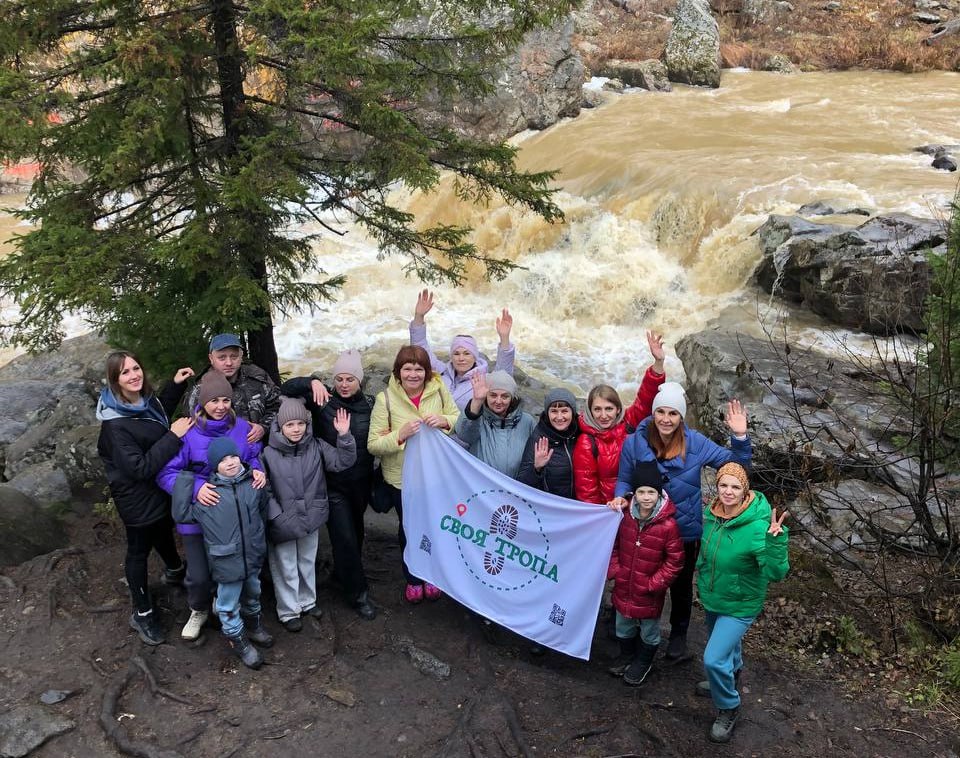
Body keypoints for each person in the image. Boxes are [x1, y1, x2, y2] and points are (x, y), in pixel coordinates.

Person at [612, 383, 751, 661]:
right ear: (653, 413)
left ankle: (678, 634)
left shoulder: (695, 442)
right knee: (642, 579)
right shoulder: (634, 442)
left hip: (684, 530)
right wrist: (619, 497)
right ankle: (638, 631)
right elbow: (625, 478)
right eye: (660, 412)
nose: (666, 419)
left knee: (681, 585)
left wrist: (739, 435)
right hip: (645, 526)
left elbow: (736, 467)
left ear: (681, 417)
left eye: (673, 414)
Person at [157, 370, 267, 641]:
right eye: (214, 401)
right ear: (203, 401)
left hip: (233, 515)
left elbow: (253, 457)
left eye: (225, 400)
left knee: (232, 564)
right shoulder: (188, 432)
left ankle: (225, 605)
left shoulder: (243, 428)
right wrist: (196, 488)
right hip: (199, 513)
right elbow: (165, 473)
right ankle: (199, 609)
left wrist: (257, 469)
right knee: (199, 572)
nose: (220, 407)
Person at [96, 351, 195, 646]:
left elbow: (152, 420)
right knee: (138, 549)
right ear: (115, 381)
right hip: (136, 497)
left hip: (156, 487)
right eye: (125, 373)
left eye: (136, 368)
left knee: (163, 528)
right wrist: (174, 437)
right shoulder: (114, 425)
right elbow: (139, 467)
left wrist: (174, 386)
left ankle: (175, 571)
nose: (134, 375)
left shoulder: (139, 402)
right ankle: (143, 612)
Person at [695, 463, 789, 743]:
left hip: (740, 605)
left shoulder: (759, 527)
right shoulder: (711, 515)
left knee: (712, 659)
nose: (728, 491)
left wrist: (776, 543)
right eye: (723, 485)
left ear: (744, 490)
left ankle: (728, 707)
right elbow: (707, 553)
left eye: (735, 487)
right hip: (714, 597)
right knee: (726, 653)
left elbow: (776, 573)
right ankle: (729, 678)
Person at [281, 350, 377, 620]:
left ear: (360, 380)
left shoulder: (371, 405)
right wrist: (311, 381)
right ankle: (358, 595)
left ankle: (340, 574)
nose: (344, 384)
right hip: (332, 485)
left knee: (355, 534)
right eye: (339, 379)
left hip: (360, 483)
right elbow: (286, 389)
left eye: (350, 379)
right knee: (344, 536)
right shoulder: (322, 401)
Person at [367, 345, 459, 604]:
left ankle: (432, 575)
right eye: (407, 368)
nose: (413, 374)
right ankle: (413, 577)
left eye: (419, 369)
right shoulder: (385, 398)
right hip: (401, 479)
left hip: (434, 475)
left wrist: (444, 421)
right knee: (408, 528)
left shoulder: (438, 389)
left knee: (434, 525)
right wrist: (401, 435)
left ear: (427, 372)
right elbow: (373, 444)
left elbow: (455, 417)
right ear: (398, 372)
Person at [175, 437, 273, 670]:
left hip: (252, 556)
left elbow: (262, 509)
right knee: (228, 604)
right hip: (226, 561)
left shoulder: (253, 484)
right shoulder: (209, 495)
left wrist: (259, 540)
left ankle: (254, 626)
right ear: (213, 465)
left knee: (253, 593)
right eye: (222, 460)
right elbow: (182, 515)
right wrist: (186, 481)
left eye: (233, 457)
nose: (230, 462)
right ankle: (238, 641)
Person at [262, 397, 356, 632]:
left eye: (300, 424)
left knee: (306, 561)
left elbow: (342, 462)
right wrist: (276, 516)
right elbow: (265, 489)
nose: (296, 429)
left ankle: (307, 601)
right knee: (285, 566)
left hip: (311, 517)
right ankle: (288, 610)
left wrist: (344, 436)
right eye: (290, 425)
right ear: (280, 426)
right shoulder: (268, 454)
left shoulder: (316, 446)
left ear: (307, 424)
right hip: (282, 521)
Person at [605, 462, 683, 686]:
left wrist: (654, 584)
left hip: (649, 591)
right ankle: (626, 655)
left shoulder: (668, 526)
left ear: (659, 494)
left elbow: (675, 561)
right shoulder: (625, 517)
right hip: (624, 585)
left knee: (649, 630)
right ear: (634, 494)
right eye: (641, 492)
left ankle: (643, 661)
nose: (646, 497)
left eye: (651, 492)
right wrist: (616, 571)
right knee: (623, 625)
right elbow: (614, 545)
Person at [572, 331, 667, 505]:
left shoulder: (629, 423)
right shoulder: (587, 443)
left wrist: (658, 363)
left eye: (609, 408)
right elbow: (587, 492)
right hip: (609, 512)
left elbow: (646, 397)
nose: (603, 415)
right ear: (590, 411)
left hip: (640, 505)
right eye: (597, 409)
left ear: (618, 409)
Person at [409, 289, 515, 410]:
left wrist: (504, 338)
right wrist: (419, 316)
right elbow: (419, 348)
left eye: (466, 353)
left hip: (466, 427)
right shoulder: (440, 371)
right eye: (456, 353)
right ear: (451, 356)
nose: (461, 358)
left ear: (475, 356)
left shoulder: (485, 380)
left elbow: (504, 374)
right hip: (434, 424)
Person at [183, 333, 286, 443]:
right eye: (222, 357)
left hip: (259, 447)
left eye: (234, 357)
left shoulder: (257, 377)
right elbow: (191, 426)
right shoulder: (201, 388)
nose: (229, 363)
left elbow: (278, 406)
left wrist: (263, 427)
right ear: (211, 358)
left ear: (241, 356)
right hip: (218, 452)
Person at [454, 371, 536, 479]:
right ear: (486, 396)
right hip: (482, 485)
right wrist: (477, 401)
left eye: (504, 396)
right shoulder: (478, 417)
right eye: (493, 395)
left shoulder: (527, 421)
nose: (498, 401)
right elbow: (464, 435)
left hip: (516, 487)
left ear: (512, 398)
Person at [516, 388, 580, 498]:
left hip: (579, 507)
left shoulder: (581, 432)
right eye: (554, 411)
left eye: (564, 411)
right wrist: (536, 468)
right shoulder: (539, 437)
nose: (559, 417)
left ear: (573, 412)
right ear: (547, 413)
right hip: (551, 507)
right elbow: (522, 483)